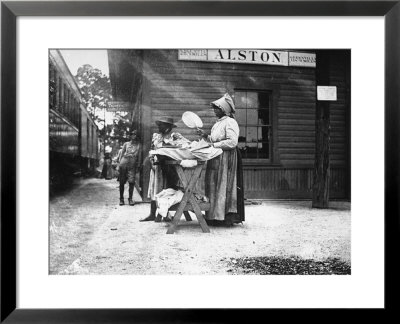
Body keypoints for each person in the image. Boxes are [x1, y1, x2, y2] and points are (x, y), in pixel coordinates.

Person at [197, 93, 245, 226]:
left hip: (226, 158)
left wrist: (214, 145)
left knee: (224, 186)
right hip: (216, 157)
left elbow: (232, 142)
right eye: (214, 108)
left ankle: (224, 217)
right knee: (213, 185)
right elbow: (215, 138)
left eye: (217, 108)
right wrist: (206, 136)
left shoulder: (230, 122)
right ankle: (213, 216)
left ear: (223, 110)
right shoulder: (217, 123)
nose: (214, 111)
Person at [140, 117, 188, 222]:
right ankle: (152, 214)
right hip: (157, 165)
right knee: (154, 188)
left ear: (168, 127)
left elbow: (186, 145)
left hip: (171, 167)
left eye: (162, 125)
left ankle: (165, 214)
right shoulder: (156, 137)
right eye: (159, 125)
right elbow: (152, 150)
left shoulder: (175, 136)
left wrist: (173, 144)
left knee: (167, 190)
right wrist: (152, 161)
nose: (159, 127)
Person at [118, 130, 141, 206]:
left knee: (131, 182)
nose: (133, 136)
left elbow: (139, 157)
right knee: (122, 182)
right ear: (130, 136)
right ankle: (121, 199)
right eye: (132, 134)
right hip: (124, 162)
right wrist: (119, 164)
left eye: (135, 135)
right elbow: (121, 154)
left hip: (132, 164)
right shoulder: (126, 144)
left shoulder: (138, 145)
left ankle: (130, 199)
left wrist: (138, 165)